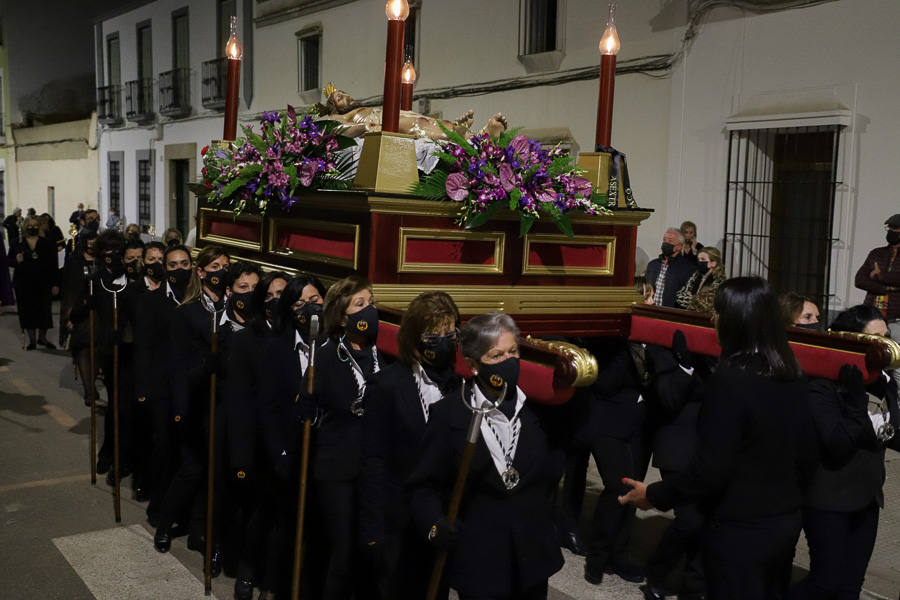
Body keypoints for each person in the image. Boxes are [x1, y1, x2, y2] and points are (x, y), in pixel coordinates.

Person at [619, 277, 818, 600]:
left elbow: (711, 467)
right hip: (783, 523)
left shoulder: (732, 377)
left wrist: (654, 493)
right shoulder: (790, 368)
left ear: (736, 320)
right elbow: (807, 452)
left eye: (719, 311)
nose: (713, 318)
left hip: (740, 527)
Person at [408, 312, 566, 600]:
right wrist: (434, 525)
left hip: (531, 557)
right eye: (496, 356)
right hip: (480, 560)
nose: (509, 361)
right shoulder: (450, 415)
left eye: (513, 351)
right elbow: (423, 486)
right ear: (473, 364)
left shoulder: (540, 411)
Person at [789, 305, 900, 600]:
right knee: (825, 583)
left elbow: (893, 430)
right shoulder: (823, 384)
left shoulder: (884, 381)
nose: (885, 344)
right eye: (876, 337)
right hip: (830, 498)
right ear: (852, 340)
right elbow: (837, 444)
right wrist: (854, 401)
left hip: (866, 497)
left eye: (887, 336)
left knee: (851, 586)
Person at [360, 291, 462, 599]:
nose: (444, 341)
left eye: (450, 333)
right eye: (435, 335)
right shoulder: (388, 386)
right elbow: (373, 461)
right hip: (398, 520)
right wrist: (373, 530)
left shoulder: (460, 388)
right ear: (415, 338)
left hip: (440, 517)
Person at [295, 274, 380, 600]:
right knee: (342, 552)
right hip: (338, 469)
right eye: (360, 305)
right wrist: (305, 405)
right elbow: (307, 406)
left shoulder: (379, 354)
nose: (369, 311)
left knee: (370, 549)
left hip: (373, 468)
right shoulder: (326, 356)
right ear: (343, 316)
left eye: (371, 303)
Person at [153, 245, 231, 578]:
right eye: (214, 266)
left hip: (227, 403)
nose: (220, 271)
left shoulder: (234, 309)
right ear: (201, 272)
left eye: (225, 266)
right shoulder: (188, 313)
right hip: (198, 402)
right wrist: (181, 407)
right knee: (193, 469)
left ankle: (202, 532)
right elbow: (178, 365)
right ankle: (164, 522)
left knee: (216, 472)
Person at [252, 274, 328, 599]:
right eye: (299, 303)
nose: (308, 309)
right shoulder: (275, 349)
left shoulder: (335, 348)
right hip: (289, 454)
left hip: (327, 456)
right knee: (286, 528)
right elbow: (267, 408)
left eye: (314, 302)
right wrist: (280, 454)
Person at [136, 244, 193, 525]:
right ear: (165, 269)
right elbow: (144, 348)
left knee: (187, 452)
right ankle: (158, 509)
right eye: (173, 265)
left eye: (184, 264)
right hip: (162, 389)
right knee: (164, 449)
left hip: (191, 388)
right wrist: (143, 390)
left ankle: (183, 510)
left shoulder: (198, 300)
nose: (179, 269)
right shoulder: (151, 301)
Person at [61, 231, 98, 404]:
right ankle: (89, 390)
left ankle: (93, 382)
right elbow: (69, 290)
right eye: (89, 242)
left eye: (95, 242)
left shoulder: (104, 260)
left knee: (97, 351)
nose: (92, 245)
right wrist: (69, 315)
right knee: (83, 349)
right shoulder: (74, 260)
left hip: (100, 312)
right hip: (80, 312)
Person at [12, 216, 59, 349]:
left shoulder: (47, 243)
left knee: (44, 310)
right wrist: (17, 260)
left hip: (43, 282)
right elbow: (9, 261)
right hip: (24, 282)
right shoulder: (17, 243)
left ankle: (42, 338)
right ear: (25, 227)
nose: (32, 228)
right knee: (27, 310)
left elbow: (53, 264)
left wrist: (55, 283)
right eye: (30, 225)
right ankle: (32, 340)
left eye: (35, 225)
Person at [854, 213, 900, 321]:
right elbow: (859, 280)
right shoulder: (876, 253)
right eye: (889, 229)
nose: (891, 232)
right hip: (871, 315)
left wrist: (879, 275)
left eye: (895, 229)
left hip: (896, 319)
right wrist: (885, 288)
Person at [645, 228, 695, 308]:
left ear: (679, 247)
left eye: (670, 241)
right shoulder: (652, 264)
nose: (665, 243)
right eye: (664, 240)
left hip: (671, 315)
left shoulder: (688, 268)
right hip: (650, 311)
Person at [675, 247, 726, 314]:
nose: (699, 262)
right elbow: (678, 296)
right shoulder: (695, 275)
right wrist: (697, 299)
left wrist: (691, 297)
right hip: (689, 315)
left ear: (713, 263)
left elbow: (707, 305)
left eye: (703, 259)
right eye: (698, 259)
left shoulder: (719, 280)